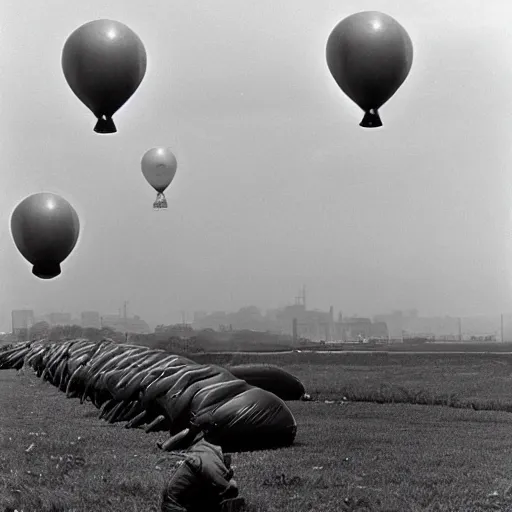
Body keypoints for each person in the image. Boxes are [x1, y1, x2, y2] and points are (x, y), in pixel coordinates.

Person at [160, 426, 243, 512]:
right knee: (230, 495)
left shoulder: (204, 449)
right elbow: (229, 487)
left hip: (183, 496)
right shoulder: (210, 461)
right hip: (174, 504)